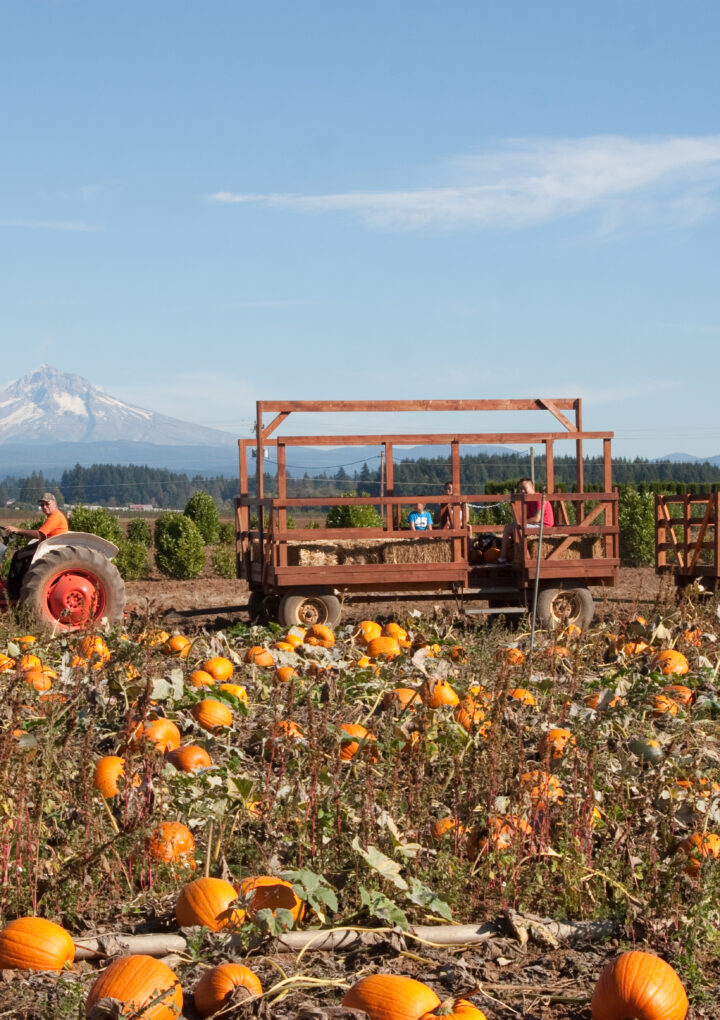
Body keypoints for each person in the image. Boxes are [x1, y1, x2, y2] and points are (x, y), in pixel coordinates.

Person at [3, 493, 69, 599]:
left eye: (47, 504)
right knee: (22, 554)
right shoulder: (54, 516)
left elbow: (39, 534)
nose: (45, 507)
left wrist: (18, 530)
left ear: (55, 503)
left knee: (19, 556)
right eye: (42, 505)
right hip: (48, 543)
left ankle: (13, 593)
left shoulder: (55, 517)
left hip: (51, 546)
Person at [498, 478, 553, 563]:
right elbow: (520, 517)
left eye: (524, 488)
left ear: (532, 487)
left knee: (518, 529)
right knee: (508, 528)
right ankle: (503, 557)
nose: (522, 491)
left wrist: (521, 522)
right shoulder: (526, 500)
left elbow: (537, 518)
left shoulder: (538, 498)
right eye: (520, 489)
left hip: (543, 525)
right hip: (532, 524)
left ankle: (525, 558)